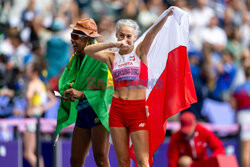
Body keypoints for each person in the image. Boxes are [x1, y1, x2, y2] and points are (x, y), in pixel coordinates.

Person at [84, 8, 174, 167]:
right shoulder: (111, 56)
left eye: (128, 36)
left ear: (135, 37)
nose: (125, 39)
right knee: (123, 161)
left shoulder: (140, 52)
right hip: (117, 110)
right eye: (121, 35)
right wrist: (113, 44)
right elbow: (87, 50)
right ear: (117, 35)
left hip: (137, 110)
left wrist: (165, 16)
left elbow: (152, 33)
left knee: (142, 161)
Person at [56, 18, 112, 167]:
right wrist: (68, 92)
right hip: (83, 111)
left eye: (76, 37)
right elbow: (70, 81)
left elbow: (108, 89)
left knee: (100, 158)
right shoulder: (75, 57)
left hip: (99, 112)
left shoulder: (100, 56)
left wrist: (81, 94)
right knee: (75, 161)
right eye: (71, 36)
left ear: (88, 39)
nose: (72, 41)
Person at [23, 62, 56, 167]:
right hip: (38, 119)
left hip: (31, 119)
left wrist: (28, 109)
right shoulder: (42, 84)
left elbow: (28, 96)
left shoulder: (33, 83)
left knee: (28, 153)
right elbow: (52, 99)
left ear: (34, 72)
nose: (27, 73)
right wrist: (42, 109)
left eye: (28, 70)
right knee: (36, 153)